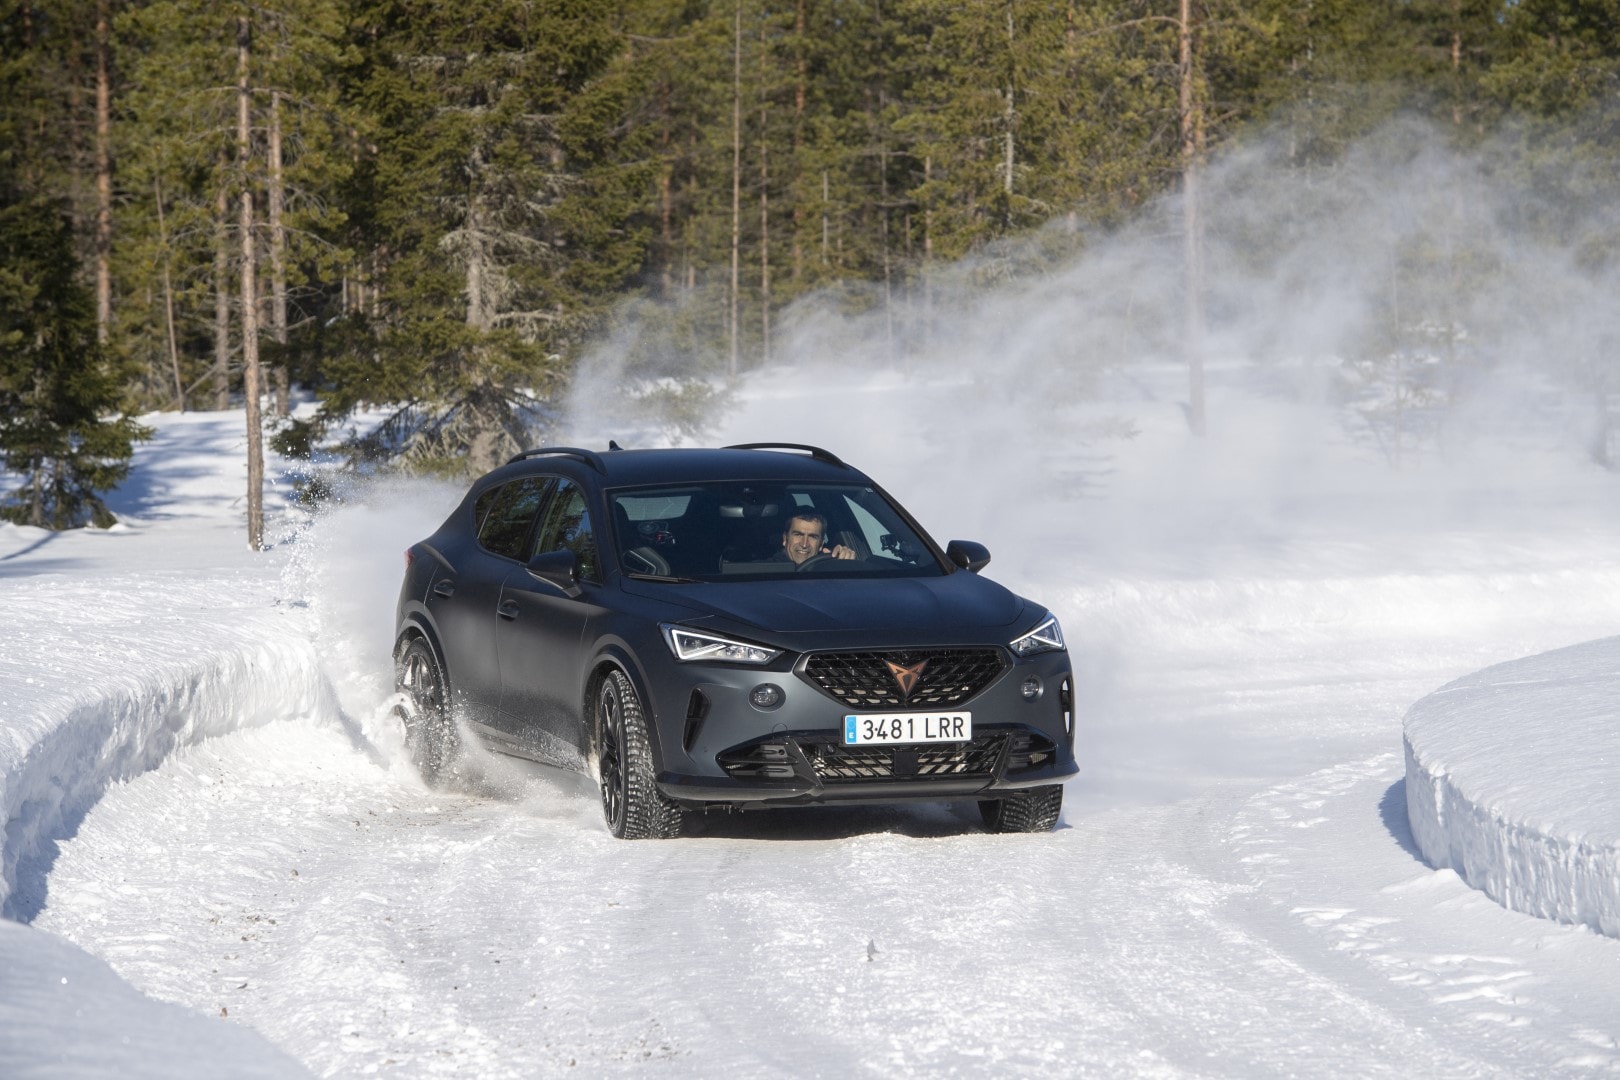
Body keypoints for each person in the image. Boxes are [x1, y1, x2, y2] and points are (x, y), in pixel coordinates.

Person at [772, 510, 857, 565]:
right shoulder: (766, 571)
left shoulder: (828, 570)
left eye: (812, 537)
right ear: (785, 539)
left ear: (821, 544)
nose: (804, 544)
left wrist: (844, 562)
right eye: (798, 534)